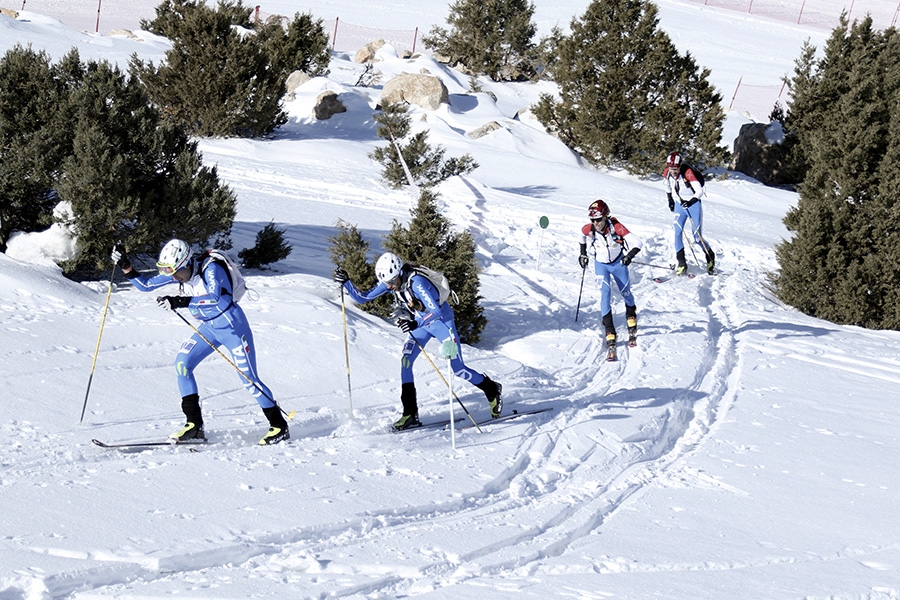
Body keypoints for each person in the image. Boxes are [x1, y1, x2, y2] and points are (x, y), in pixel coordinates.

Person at [111, 239, 288, 445]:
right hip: (209, 328)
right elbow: (146, 285)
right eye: (171, 273)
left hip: (232, 328)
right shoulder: (179, 273)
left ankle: (279, 426)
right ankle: (194, 426)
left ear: (186, 263)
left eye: (176, 272)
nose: (174, 278)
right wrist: (125, 265)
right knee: (182, 364)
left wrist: (181, 301)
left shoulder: (211, 269)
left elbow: (219, 299)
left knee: (248, 379)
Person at [333, 253, 502, 430]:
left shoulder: (418, 283)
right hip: (421, 324)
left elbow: (435, 311)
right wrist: (347, 282)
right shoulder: (391, 281)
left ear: (399, 273)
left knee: (458, 369)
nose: (389, 287)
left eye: (391, 282)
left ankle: (492, 390)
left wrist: (414, 322)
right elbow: (363, 298)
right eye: (387, 284)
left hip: (442, 324)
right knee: (406, 361)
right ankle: (410, 413)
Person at [578, 200, 643, 357]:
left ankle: (631, 315)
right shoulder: (590, 229)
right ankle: (609, 330)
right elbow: (581, 235)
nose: (596, 223)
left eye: (598, 219)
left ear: (606, 216)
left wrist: (629, 256)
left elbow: (638, 242)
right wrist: (583, 253)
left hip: (618, 263)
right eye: (593, 220)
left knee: (625, 292)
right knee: (605, 294)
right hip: (601, 265)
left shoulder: (616, 227)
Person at [663, 151, 716, 275]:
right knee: (677, 233)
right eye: (671, 169)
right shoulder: (667, 173)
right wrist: (670, 200)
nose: (673, 171)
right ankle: (681, 263)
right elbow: (667, 186)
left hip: (694, 206)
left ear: (680, 166)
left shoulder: (687, 173)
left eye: (676, 169)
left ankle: (710, 256)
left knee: (697, 237)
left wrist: (691, 201)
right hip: (679, 205)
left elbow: (699, 191)